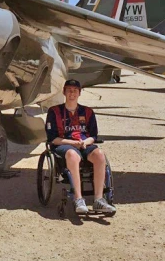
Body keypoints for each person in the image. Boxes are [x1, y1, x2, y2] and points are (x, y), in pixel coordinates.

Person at [45, 79, 116, 214]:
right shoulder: (54, 112)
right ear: (64, 92)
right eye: (69, 90)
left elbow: (93, 136)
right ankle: (78, 198)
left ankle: (99, 200)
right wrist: (72, 143)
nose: (72, 93)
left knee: (100, 155)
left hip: (84, 144)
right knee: (72, 155)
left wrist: (85, 142)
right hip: (64, 145)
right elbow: (53, 138)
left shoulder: (88, 112)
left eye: (75, 91)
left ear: (79, 93)